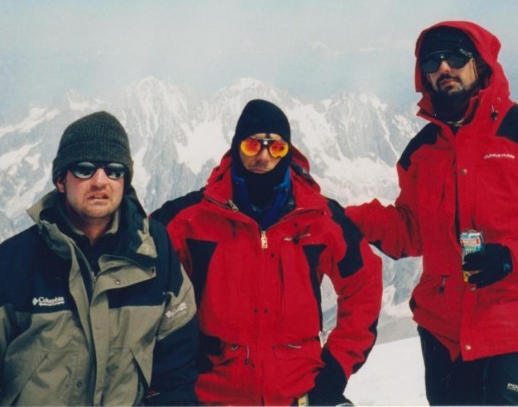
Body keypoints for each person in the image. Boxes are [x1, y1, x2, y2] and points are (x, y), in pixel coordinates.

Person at [346, 21, 518, 406]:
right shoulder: (422, 152)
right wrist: (346, 218)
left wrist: (514, 253)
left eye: (455, 57)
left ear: (480, 64)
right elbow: (412, 232)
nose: (443, 68)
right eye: (432, 62)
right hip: (443, 333)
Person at [0, 111, 199, 406]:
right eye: (84, 169)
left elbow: (176, 379)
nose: (100, 180)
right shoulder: (12, 266)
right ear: (61, 180)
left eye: (114, 170)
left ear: (125, 181)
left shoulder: (155, 257)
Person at [152, 99, 382, 406]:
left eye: (275, 147)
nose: (263, 156)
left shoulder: (319, 217)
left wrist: (335, 372)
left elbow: (364, 284)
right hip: (213, 395)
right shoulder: (192, 218)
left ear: (287, 151)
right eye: (252, 146)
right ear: (236, 147)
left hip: (298, 393)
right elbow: (136, 262)